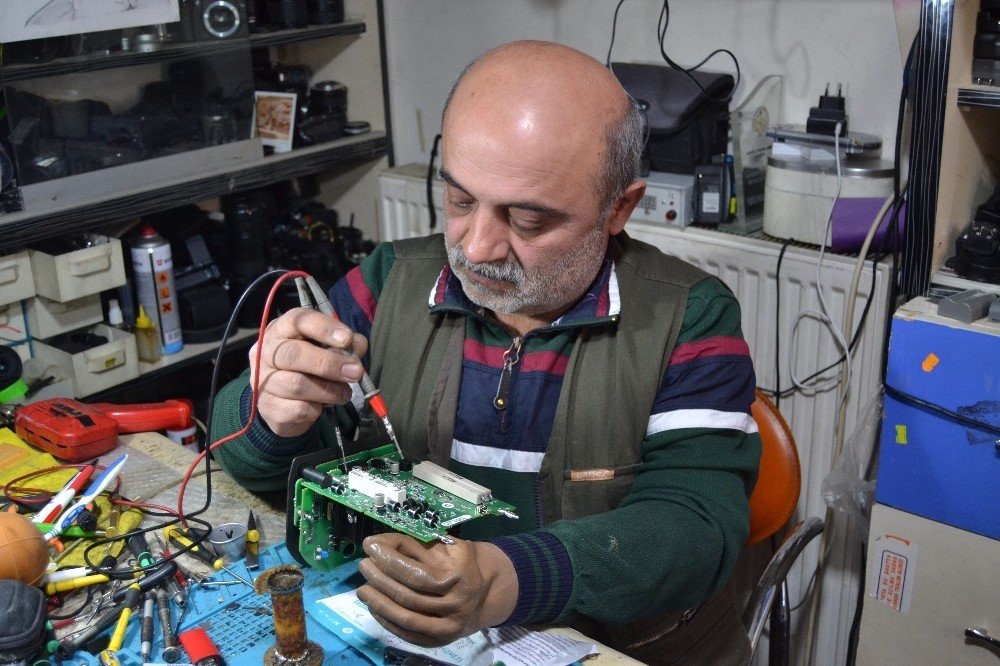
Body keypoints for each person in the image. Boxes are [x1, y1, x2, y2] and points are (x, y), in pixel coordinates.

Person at [212, 40, 761, 664]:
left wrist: (506, 580)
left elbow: (695, 527)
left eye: (527, 220)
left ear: (619, 208)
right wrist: (272, 415)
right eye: (460, 199)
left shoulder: (690, 317)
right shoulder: (389, 282)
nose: (476, 247)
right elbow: (249, 466)